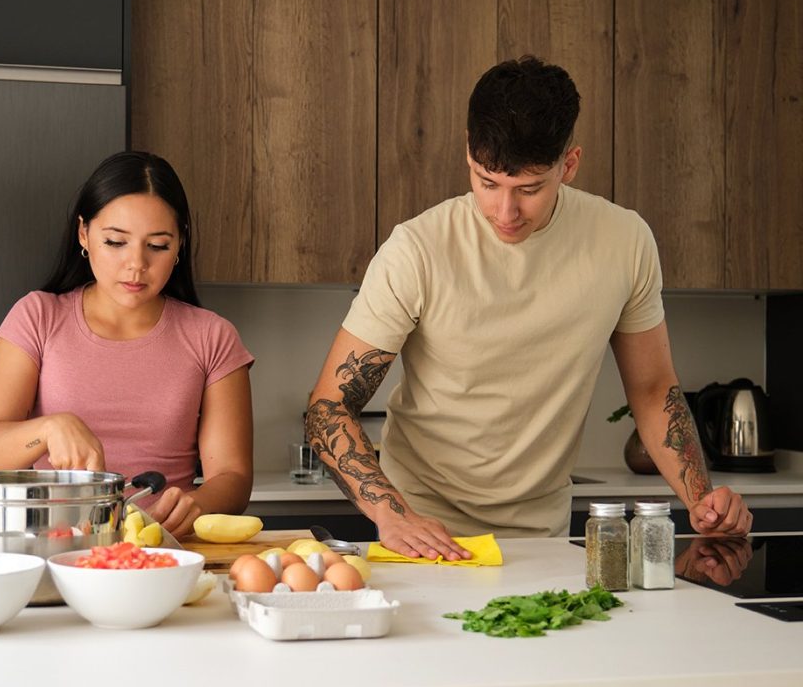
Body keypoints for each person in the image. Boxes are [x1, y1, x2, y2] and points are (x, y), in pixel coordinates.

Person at [306, 56, 753, 561]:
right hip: (421, 529)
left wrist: (702, 500)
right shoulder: (417, 249)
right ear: (468, 154)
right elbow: (329, 407)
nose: (505, 212)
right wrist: (391, 513)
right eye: (486, 182)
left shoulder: (624, 241)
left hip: (545, 537)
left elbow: (652, 391)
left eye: (530, 189)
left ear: (570, 164)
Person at [0, 151, 254, 539]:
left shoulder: (212, 337)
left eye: (158, 246)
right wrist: (49, 429)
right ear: (84, 234)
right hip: (54, 549)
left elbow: (232, 476)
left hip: (160, 553)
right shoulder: (38, 317)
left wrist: (199, 504)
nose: (136, 264)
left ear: (180, 242)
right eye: (116, 242)